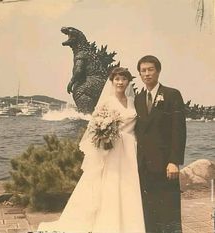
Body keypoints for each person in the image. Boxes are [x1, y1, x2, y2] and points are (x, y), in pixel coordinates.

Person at [38, 67, 146, 233]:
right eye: (117, 79)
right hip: (113, 147)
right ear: (112, 81)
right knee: (110, 182)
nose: (120, 82)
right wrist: (105, 135)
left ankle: (129, 224)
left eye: (124, 79)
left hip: (130, 148)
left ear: (128, 81)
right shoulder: (107, 102)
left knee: (128, 184)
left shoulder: (132, 101)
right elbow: (94, 126)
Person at [134, 55, 186, 233]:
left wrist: (174, 161)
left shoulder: (172, 95)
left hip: (165, 164)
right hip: (144, 166)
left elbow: (178, 131)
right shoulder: (138, 99)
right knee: (149, 213)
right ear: (139, 74)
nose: (147, 74)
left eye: (150, 69)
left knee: (169, 212)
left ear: (158, 71)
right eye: (143, 71)